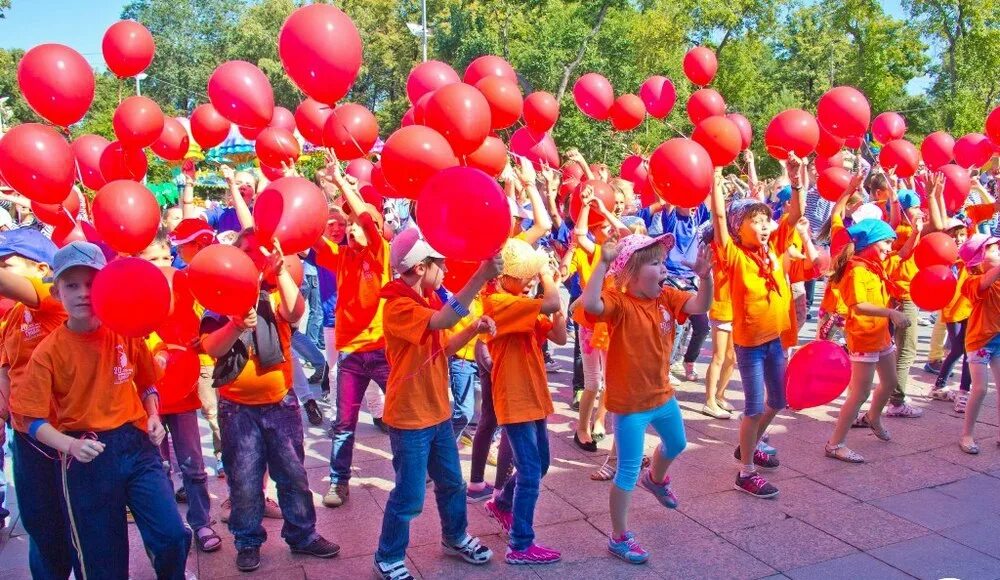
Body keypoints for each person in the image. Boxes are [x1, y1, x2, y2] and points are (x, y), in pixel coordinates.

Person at [12, 241, 191, 579]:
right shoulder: (48, 352)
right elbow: (31, 420)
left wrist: (153, 414)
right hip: (87, 457)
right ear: (56, 292)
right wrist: (71, 446)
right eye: (72, 285)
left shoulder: (125, 331)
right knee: (102, 562)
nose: (83, 293)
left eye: (92, 283)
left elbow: (147, 382)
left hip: (137, 449)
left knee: (171, 536)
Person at [200, 231, 339, 572]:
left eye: (260, 253)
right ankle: (248, 541)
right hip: (237, 409)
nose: (254, 258)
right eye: (246, 252)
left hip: (280, 403)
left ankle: (302, 535)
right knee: (244, 480)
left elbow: (295, 312)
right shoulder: (220, 297)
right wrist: (234, 325)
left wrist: (278, 271)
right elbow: (211, 348)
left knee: (292, 475)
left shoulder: (275, 291)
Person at [372, 228, 501, 580]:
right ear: (419, 268)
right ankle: (388, 555)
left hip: (437, 414)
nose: (444, 272)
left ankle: (455, 536)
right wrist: (480, 276)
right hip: (410, 418)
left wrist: (473, 329)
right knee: (410, 494)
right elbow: (443, 320)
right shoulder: (399, 307)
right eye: (439, 265)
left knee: (451, 483)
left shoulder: (424, 302)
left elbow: (440, 347)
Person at [583, 233, 711, 563]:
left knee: (678, 444)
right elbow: (591, 305)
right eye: (654, 262)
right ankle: (619, 537)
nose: (663, 267)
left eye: (662, 260)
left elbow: (701, 306)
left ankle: (655, 479)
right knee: (626, 470)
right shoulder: (619, 302)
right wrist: (603, 263)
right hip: (630, 406)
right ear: (632, 273)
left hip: (662, 396)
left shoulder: (666, 297)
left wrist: (705, 277)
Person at [0, 228, 82, 578]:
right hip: (27, 437)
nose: (3, 272)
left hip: (65, 436)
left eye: (8, 264)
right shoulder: (14, 318)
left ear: (39, 266)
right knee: (39, 524)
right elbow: (6, 369)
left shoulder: (52, 301)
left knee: (78, 526)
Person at [481, 238, 566, 565]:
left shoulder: (518, 299)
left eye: (534, 274)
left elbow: (558, 336)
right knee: (531, 471)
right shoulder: (499, 301)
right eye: (526, 274)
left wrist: (556, 298)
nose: (532, 279)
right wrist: (548, 278)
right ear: (506, 276)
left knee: (541, 465)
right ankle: (520, 544)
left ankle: (502, 502)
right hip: (515, 398)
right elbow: (548, 304)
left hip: (533, 396)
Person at [314, 160, 392, 509]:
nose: (350, 229)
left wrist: (343, 184)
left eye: (357, 225)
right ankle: (338, 482)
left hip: (381, 349)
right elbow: (310, 234)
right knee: (344, 423)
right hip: (350, 354)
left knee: (403, 414)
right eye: (347, 226)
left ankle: (419, 469)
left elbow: (364, 218)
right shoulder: (341, 256)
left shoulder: (380, 252)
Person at [824, 220, 907, 463]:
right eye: (886, 241)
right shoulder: (856, 269)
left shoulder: (873, 266)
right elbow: (858, 305)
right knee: (859, 393)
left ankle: (873, 417)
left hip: (881, 335)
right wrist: (890, 313)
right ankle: (835, 443)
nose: (890, 247)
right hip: (863, 338)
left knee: (890, 382)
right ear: (870, 243)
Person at [168, 218, 224, 474]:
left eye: (183, 246)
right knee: (210, 413)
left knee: (220, 415)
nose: (177, 252)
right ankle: (211, 463)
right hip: (195, 360)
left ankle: (226, 460)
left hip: (219, 358)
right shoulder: (182, 277)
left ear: (200, 245)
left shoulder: (222, 272)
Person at [957, 234, 1000, 453]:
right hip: (979, 340)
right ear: (980, 259)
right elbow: (987, 279)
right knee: (981, 388)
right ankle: (967, 435)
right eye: (994, 249)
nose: (999, 251)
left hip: (998, 338)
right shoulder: (971, 282)